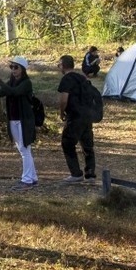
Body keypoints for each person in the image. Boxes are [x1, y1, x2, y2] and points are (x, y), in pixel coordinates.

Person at [0, 56, 37, 189]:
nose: (13, 70)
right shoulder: (11, 82)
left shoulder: (26, 83)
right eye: (11, 67)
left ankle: (27, 180)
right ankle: (32, 177)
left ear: (22, 69)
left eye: (16, 67)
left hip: (24, 120)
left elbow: (14, 92)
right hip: (13, 119)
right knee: (23, 149)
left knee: (25, 149)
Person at [58, 54, 96, 182]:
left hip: (75, 116)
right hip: (88, 115)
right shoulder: (82, 78)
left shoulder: (66, 79)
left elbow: (64, 99)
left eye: (59, 65)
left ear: (63, 66)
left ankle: (76, 173)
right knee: (87, 145)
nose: (58, 67)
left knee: (67, 143)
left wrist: (61, 113)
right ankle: (90, 173)